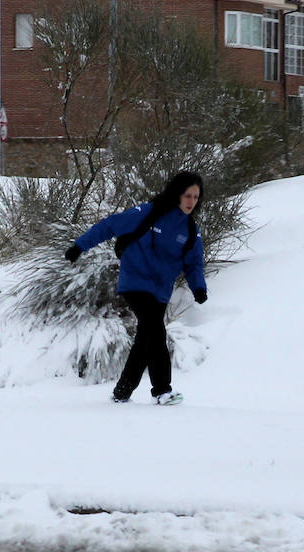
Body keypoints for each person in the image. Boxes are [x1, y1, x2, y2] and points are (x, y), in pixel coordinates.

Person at [64, 171, 208, 405]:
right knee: (156, 332)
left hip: (160, 291)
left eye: (195, 197)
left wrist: (198, 288)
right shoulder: (149, 212)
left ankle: (122, 392)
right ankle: (162, 390)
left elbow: (194, 263)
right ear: (176, 194)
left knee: (145, 339)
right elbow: (110, 225)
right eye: (187, 195)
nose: (191, 201)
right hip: (135, 282)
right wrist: (79, 246)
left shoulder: (190, 230)